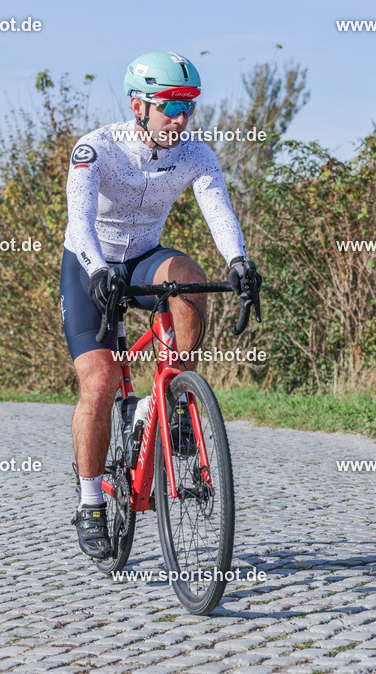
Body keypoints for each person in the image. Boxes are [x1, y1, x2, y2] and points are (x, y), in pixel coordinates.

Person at [61, 51, 261, 559]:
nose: (181, 118)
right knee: (101, 382)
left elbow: (219, 209)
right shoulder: (97, 148)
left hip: (146, 259)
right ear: (138, 105)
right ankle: (90, 503)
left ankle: (172, 396)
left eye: (188, 107)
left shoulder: (194, 152)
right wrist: (99, 270)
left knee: (190, 277)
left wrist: (238, 262)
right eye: (170, 106)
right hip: (91, 264)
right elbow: (79, 220)